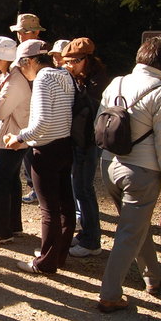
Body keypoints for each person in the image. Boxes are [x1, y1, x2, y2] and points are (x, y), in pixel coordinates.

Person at [96, 37, 161, 313]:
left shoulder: (117, 82)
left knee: (136, 225)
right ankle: (109, 294)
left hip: (109, 165)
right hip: (142, 171)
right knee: (130, 231)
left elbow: (101, 123)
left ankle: (153, 279)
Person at [4, 39, 75, 274]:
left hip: (46, 150)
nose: (22, 71)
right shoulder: (63, 74)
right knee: (65, 205)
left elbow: (42, 121)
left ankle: (45, 263)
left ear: (31, 61)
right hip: (65, 145)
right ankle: (58, 256)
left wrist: (20, 137)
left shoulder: (44, 78)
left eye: (22, 66)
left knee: (49, 210)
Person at [0, 36, 31, 245]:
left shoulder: (15, 80)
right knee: (10, 179)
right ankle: (13, 225)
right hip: (17, 135)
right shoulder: (8, 76)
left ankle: (1, 231)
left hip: (16, 137)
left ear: (5, 58)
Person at [61, 37, 108, 258]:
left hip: (88, 143)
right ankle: (85, 234)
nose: (69, 65)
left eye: (74, 61)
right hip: (79, 141)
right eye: (67, 61)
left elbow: (86, 109)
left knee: (84, 190)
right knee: (78, 188)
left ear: (86, 60)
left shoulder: (97, 83)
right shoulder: (83, 79)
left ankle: (91, 241)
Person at [10, 13, 46, 205]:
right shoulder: (18, 52)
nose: (21, 35)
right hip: (23, 108)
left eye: (25, 32)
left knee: (37, 151)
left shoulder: (43, 53)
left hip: (39, 108)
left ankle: (41, 190)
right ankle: (33, 187)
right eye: (19, 32)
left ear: (37, 32)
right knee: (26, 152)